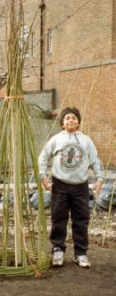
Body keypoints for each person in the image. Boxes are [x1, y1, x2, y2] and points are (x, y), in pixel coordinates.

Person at [38, 107, 104, 268]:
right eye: (67, 118)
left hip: (80, 186)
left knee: (81, 220)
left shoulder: (86, 140)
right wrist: (42, 177)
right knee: (58, 218)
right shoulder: (56, 139)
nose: (70, 121)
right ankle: (58, 250)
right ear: (62, 123)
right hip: (59, 184)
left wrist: (100, 178)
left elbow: (95, 160)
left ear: (79, 122)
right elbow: (43, 157)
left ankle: (80, 253)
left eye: (74, 118)